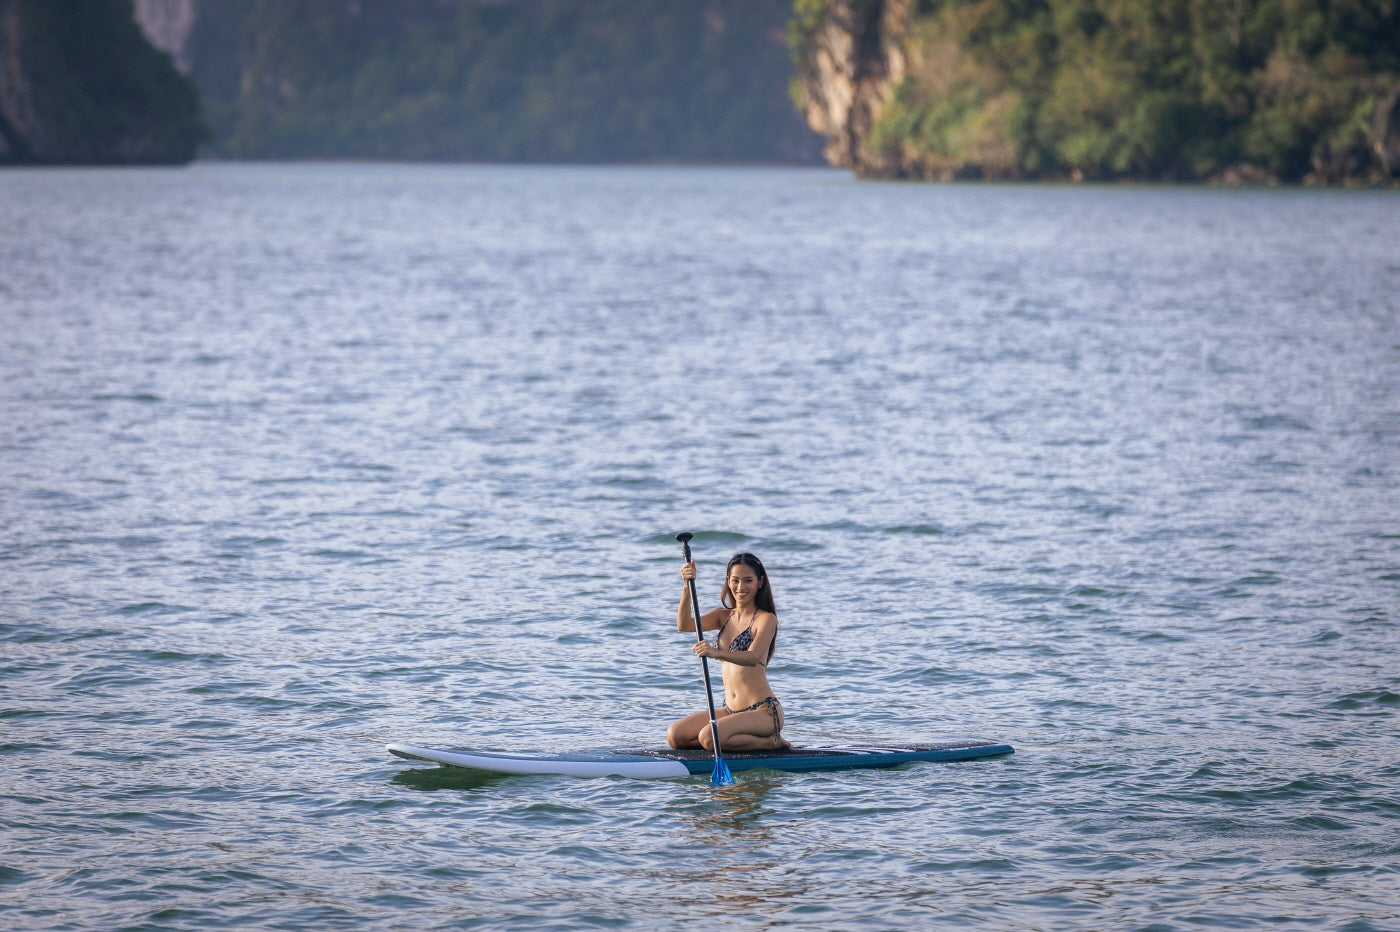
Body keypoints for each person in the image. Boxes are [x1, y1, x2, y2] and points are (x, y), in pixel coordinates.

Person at [666, 551, 791, 752]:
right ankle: (727, 739)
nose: (740, 587)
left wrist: (716, 653)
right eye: (735, 580)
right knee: (675, 735)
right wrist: (687, 586)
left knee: (709, 737)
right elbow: (684, 625)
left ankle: (770, 742)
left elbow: (754, 657)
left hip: (763, 712)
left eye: (748, 580)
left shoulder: (765, 619)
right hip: (731, 711)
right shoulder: (722, 616)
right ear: (728, 581)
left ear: (760, 582)